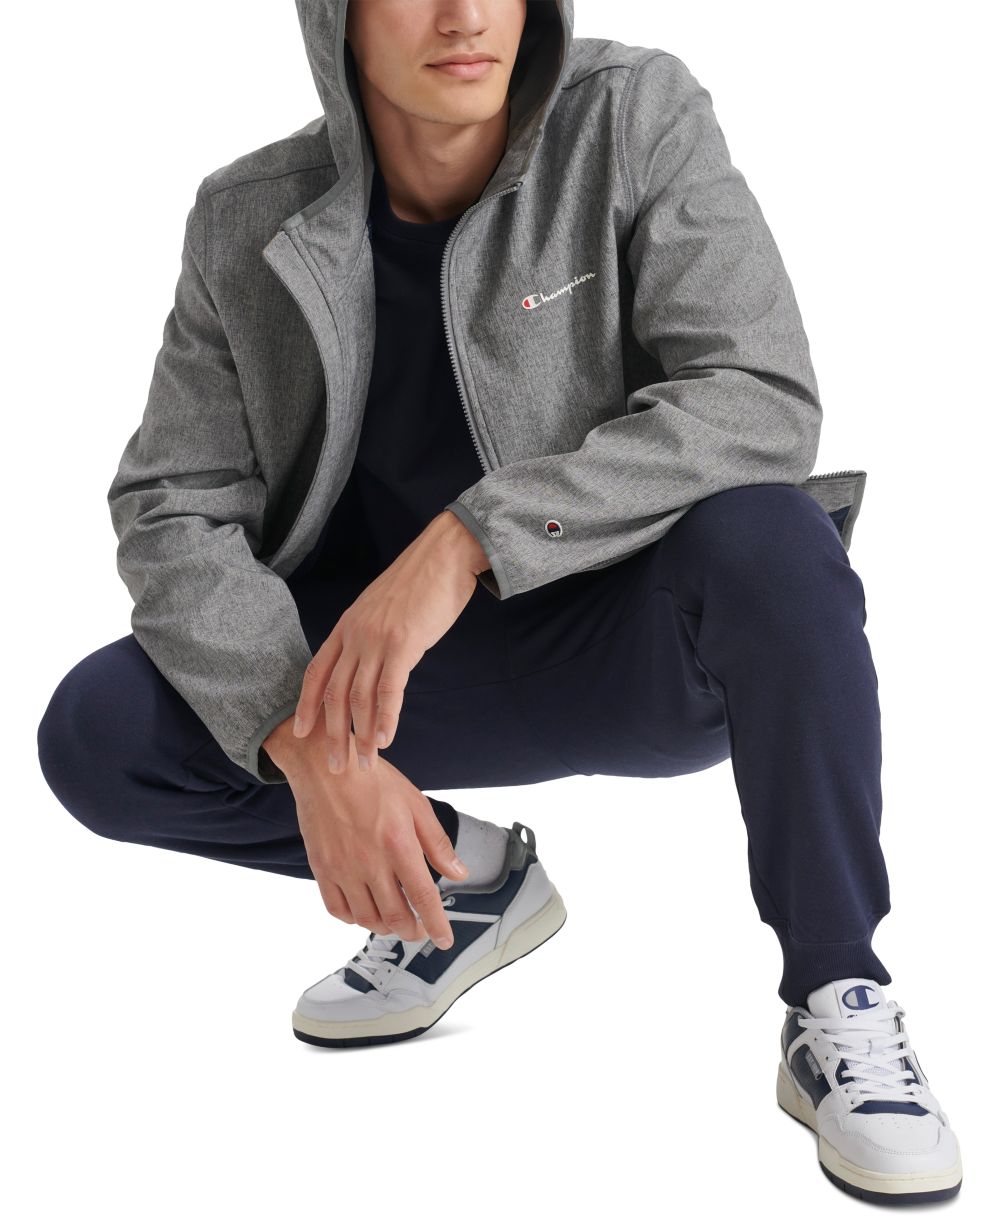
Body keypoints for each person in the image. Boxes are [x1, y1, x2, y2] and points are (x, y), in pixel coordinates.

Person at [36, 0, 961, 1204]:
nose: (467, 16)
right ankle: (459, 883)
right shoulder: (246, 216)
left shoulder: (628, 115)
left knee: (774, 541)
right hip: (381, 686)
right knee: (100, 729)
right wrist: (304, 740)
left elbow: (756, 394)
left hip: (631, 639)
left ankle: (837, 993)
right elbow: (174, 502)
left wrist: (469, 539)